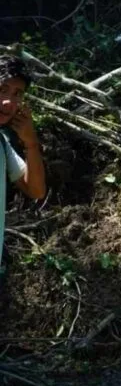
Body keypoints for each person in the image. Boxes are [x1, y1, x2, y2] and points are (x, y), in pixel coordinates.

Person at [0, 55, 47, 280]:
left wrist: (30, 143)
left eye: (17, 94)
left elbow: (36, 190)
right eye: (2, 89)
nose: (9, 101)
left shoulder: (2, 144)